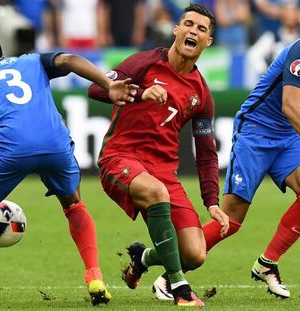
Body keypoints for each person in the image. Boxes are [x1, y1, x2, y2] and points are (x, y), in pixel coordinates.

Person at [151, 10, 300, 301]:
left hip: (287, 137)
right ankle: (162, 272)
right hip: (255, 131)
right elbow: (290, 105)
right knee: (231, 221)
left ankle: (267, 264)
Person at [0, 35, 137, 305]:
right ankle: (95, 276)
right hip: (55, 144)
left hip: (13, 145)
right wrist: (108, 84)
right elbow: (71, 60)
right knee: (74, 205)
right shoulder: (31, 60)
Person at [88, 3, 229, 307]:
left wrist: (212, 202)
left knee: (195, 253)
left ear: (208, 42)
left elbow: (206, 152)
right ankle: (180, 287)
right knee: (155, 192)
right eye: (188, 24)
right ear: (176, 30)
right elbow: (95, 89)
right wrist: (139, 92)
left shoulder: (202, 94)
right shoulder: (145, 63)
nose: (193, 30)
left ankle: (143, 258)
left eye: (201, 29)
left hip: (163, 171)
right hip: (120, 157)